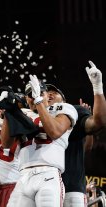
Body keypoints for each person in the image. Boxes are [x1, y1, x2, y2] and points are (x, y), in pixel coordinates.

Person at [6, 75, 78, 207]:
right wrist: (9, 112)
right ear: (26, 98)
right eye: (30, 94)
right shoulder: (23, 113)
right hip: (23, 176)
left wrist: (39, 102)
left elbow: (55, 132)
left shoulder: (63, 109)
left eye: (39, 92)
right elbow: (6, 144)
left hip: (48, 174)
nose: (33, 96)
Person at [62, 61, 106, 207]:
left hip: (71, 186)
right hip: (43, 186)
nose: (49, 96)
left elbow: (87, 146)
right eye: (46, 93)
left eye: (54, 93)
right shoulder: (39, 119)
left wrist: (97, 87)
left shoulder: (72, 118)